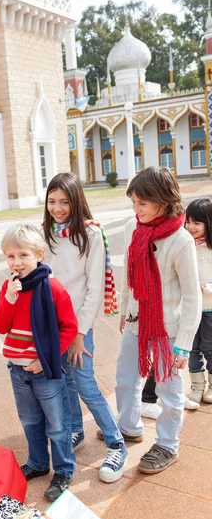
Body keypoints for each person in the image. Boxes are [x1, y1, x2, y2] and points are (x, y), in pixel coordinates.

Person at [42, 172, 128, 484]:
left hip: (78, 326)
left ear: (77, 201)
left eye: (64, 201)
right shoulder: (47, 233)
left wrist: (79, 334)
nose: (57, 207)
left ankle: (116, 443)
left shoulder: (90, 235)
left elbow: (94, 289)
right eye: (52, 201)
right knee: (64, 382)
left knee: (86, 384)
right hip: (52, 325)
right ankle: (76, 431)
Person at [116, 167, 201, 473]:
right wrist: (125, 311)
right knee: (125, 378)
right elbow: (128, 274)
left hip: (168, 330)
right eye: (133, 203)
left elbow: (192, 296)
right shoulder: (132, 228)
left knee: (169, 391)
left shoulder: (180, 240)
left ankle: (167, 444)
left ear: (163, 202)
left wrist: (183, 346)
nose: (136, 210)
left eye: (142, 204)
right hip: (137, 320)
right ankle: (129, 426)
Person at [0, 224, 78, 501]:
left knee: (57, 423)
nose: (16, 262)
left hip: (44, 371)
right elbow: (0, 325)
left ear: (39, 255)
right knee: (30, 420)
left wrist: (45, 359)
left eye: (23, 255)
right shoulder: (9, 288)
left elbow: (68, 327)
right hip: (17, 370)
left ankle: (63, 469)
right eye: (10, 256)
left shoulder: (51, 287)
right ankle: (39, 463)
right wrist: (9, 299)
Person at [185, 198, 212, 404]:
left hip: (209, 307)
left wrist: (206, 286)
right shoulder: (186, 246)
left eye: (197, 222)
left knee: (209, 347)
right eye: (188, 221)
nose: (191, 226)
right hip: (189, 308)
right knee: (192, 347)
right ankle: (196, 385)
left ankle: (211, 385)